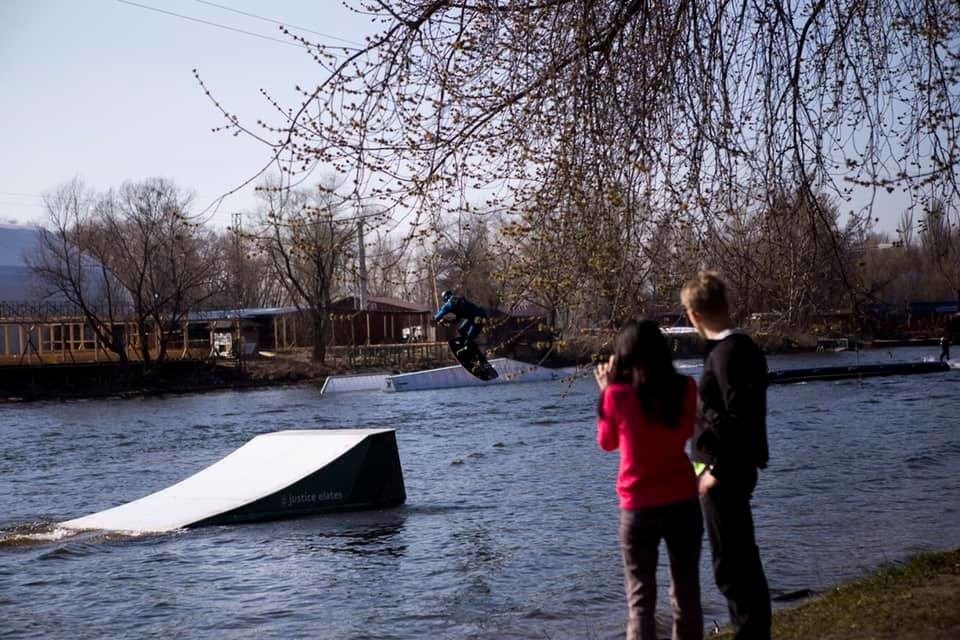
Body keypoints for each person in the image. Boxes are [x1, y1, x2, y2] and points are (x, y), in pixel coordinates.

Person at [594, 319, 704, 640]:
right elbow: (687, 432)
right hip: (683, 499)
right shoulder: (686, 387)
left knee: (641, 600)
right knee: (686, 592)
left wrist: (605, 393)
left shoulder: (617, 396)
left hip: (638, 505)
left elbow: (607, 442)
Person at [681, 271, 771, 640]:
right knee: (739, 561)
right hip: (734, 467)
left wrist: (716, 470)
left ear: (694, 316)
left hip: (723, 473)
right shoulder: (744, 348)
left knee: (732, 566)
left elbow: (736, 418)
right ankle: (753, 631)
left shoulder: (725, 355)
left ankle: (750, 633)